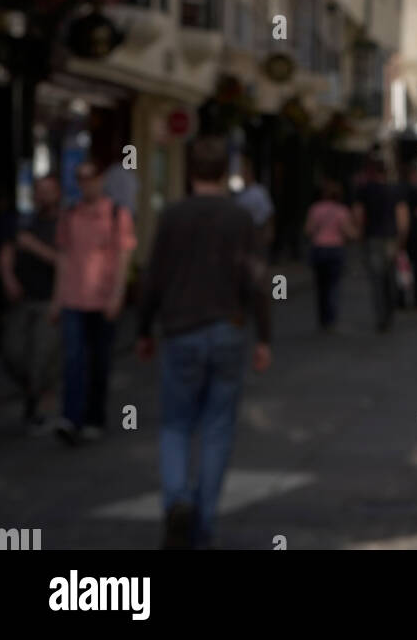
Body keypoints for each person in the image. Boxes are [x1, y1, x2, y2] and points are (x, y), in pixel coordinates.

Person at [135, 135, 271, 550]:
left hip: (180, 329)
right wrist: (264, 336)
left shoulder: (172, 216)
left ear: (190, 171)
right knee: (217, 429)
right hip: (228, 329)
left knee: (176, 424)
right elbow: (257, 280)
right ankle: (203, 523)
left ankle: (177, 499)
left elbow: (153, 275)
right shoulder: (241, 218)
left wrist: (143, 329)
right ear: (223, 173)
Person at [51, 162, 136, 446]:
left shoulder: (116, 214)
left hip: (102, 299)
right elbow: (63, 257)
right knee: (73, 358)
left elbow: (124, 257)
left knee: (100, 360)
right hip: (74, 297)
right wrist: (57, 299)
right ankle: (70, 417)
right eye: (81, 178)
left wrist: (117, 295)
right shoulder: (70, 215)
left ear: (101, 180)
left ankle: (94, 416)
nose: (86, 183)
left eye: (91, 178)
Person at [0, 175, 61, 431]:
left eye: (48, 191)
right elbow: (7, 252)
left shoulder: (64, 224)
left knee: (40, 357)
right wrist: (8, 278)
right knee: (11, 352)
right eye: (39, 191)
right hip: (21, 300)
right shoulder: (23, 221)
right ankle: (34, 391)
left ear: (57, 194)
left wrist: (34, 246)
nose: (43, 196)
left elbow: (66, 262)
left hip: (49, 300)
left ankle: (34, 409)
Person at [352, 156, 408, 332]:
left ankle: (382, 315)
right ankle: (389, 310)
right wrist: (402, 237)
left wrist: (360, 235)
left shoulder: (364, 190)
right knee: (389, 275)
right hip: (391, 237)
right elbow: (403, 216)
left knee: (377, 278)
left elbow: (359, 214)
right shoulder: (395, 190)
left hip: (373, 237)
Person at [304, 179, 356, 330]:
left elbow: (308, 230)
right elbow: (349, 232)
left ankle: (323, 318)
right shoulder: (342, 210)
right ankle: (331, 318)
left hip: (319, 248)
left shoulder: (315, 209)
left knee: (321, 286)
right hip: (335, 249)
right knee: (333, 285)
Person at [234, 163, 275, 259]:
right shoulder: (240, 194)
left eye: (244, 174)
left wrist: (270, 230)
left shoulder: (259, 191)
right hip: (243, 231)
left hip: (257, 229)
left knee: (258, 258)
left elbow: (269, 212)